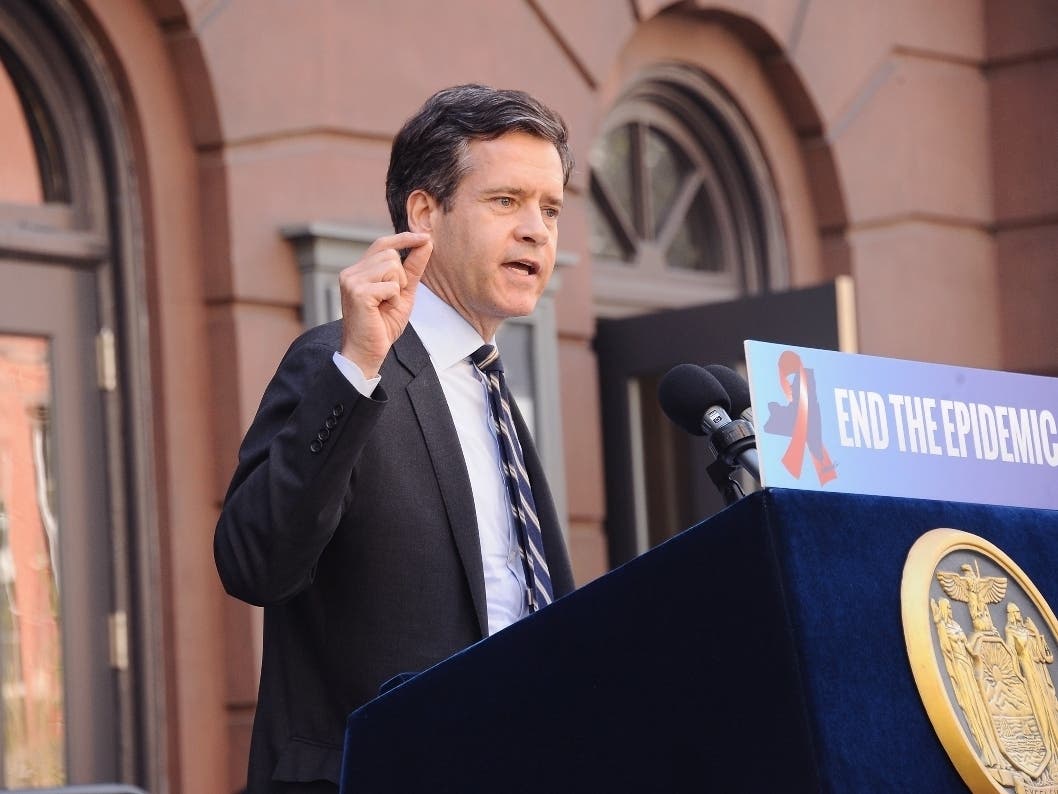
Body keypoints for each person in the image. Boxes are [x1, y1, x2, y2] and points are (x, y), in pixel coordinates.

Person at [214, 84, 577, 793]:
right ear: (424, 214)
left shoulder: (494, 393)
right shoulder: (341, 365)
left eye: (551, 209)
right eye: (506, 201)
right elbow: (253, 564)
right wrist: (357, 370)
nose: (537, 229)